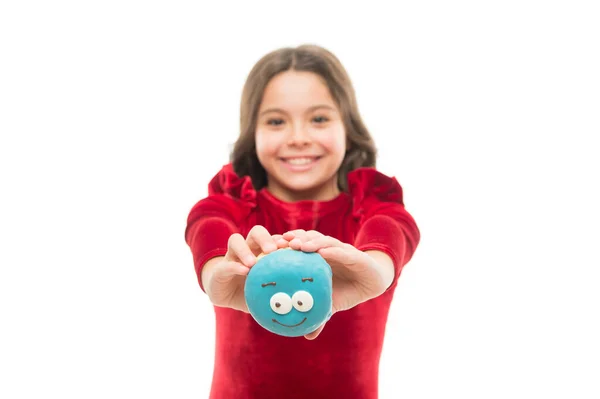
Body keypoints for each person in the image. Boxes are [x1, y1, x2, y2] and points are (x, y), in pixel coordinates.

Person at [185, 44, 420, 399]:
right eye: (276, 121)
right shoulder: (233, 204)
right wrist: (217, 268)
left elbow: (391, 231)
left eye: (319, 118)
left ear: (347, 126)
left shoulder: (371, 205)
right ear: (254, 131)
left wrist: (374, 270)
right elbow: (207, 224)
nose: (298, 137)